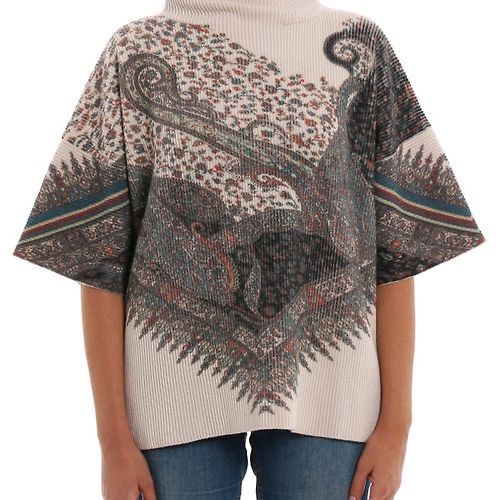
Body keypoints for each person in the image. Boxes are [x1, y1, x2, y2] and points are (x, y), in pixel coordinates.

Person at [12, 0, 486, 499]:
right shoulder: (134, 47)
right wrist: (112, 441)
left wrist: (397, 425)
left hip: (332, 394)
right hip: (169, 397)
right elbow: (98, 259)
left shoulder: (363, 42)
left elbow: (397, 252)